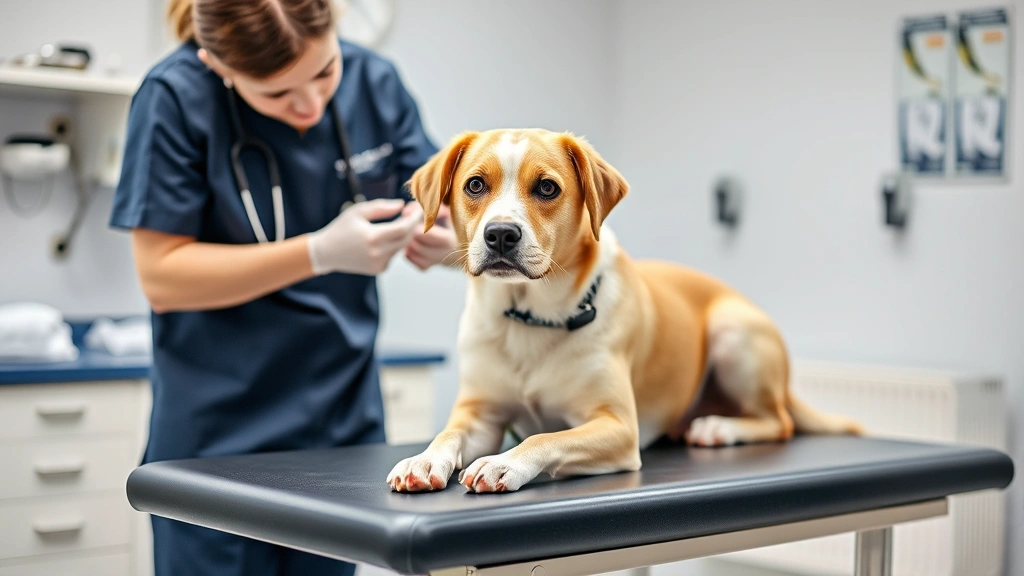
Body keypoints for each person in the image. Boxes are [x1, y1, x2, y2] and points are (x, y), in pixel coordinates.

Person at [108, 0, 458, 574]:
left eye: (324, 73)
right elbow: (163, 275)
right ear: (217, 65)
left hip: (339, 429)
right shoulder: (174, 96)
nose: (311, 105)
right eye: (276, 94)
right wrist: (317, 253)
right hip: (217, 442)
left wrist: (450, 247)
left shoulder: (376, 82)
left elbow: (445, 214)